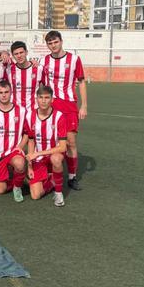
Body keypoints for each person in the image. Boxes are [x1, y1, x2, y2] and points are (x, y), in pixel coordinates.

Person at [40, 30, 87, 191]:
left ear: (61, 41)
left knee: (71, 142)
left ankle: (72, 177)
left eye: (55, 42)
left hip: (68, 106)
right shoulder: (44, 60)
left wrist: (84, 105)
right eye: (50, 43)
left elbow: (81, 82)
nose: (53, 45)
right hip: (50, 107)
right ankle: (50, 174)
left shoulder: (74, 59)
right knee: (51, 141)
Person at [0, 80, 28, 201]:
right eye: (1, 92)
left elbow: (26, 133)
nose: (4, 95)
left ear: (11, 92)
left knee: (19, 163)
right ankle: (17, 178)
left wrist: (20, 147)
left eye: (6, 92)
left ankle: (17, 187)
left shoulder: (22, 111)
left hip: (13, 153)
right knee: (0, 190)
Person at [25, 85, 68, 207]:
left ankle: (59, 193)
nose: (43, 101)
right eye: (41, 97)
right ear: (36, 99)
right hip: (38, 159)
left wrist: (38, 153)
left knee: (56, 159)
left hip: (54, 154)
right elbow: (31, 141)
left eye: (47, 98)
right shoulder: (30, 116)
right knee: (35, 195)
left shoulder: (59, 116)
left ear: (52, 100)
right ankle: (52, 181)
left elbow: (63, 147)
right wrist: (29, 166)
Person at [7, 41, 42, 110]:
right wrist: (3, 53)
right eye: (16, 54)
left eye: (21, 52)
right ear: (13, 56)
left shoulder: (39, 69)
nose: (19, 56)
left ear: (26, 52)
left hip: (33, 110)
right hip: (15, 111)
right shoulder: (8, 70)